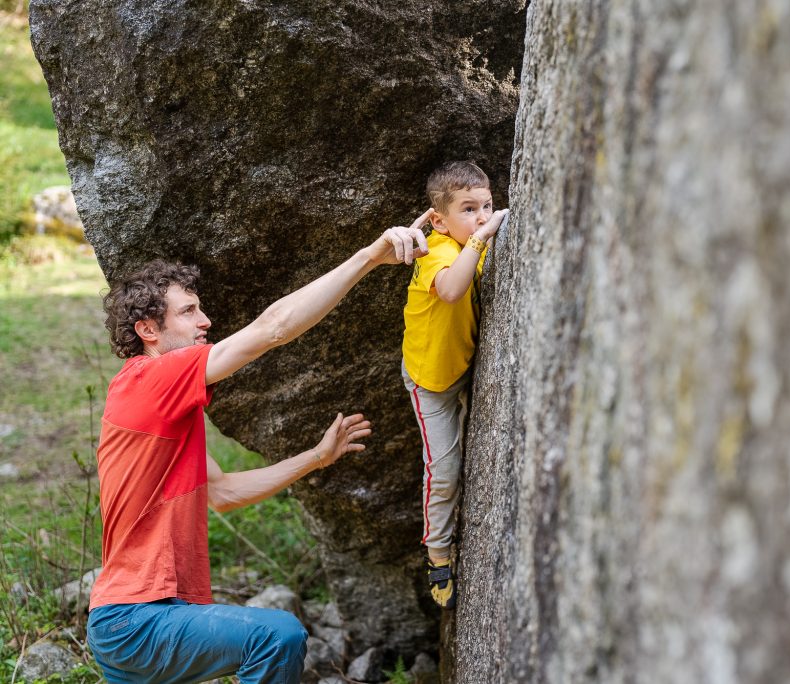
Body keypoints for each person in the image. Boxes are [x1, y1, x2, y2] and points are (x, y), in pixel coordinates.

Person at [85, 220, 431, 683]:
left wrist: (315, 458)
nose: (205, 320)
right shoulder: (151, 379)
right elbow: (274, 328)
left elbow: (224, 491)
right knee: (276, 635)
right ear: (148, 329)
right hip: (137, 619)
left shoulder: (162, 407)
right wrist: (368, 257)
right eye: (189, 312)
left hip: (133, 622)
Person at [401, 161, 508, 608]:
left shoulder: (464, 241)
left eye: (486, 205)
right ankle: (438, 554)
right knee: (443, 473)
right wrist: (481, 238)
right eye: (469, 209)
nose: (482, 217)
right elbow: (449, 290)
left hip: (460, 365)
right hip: (431, 383)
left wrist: (478, 236)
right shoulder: (438, 253)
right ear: (439, 220)